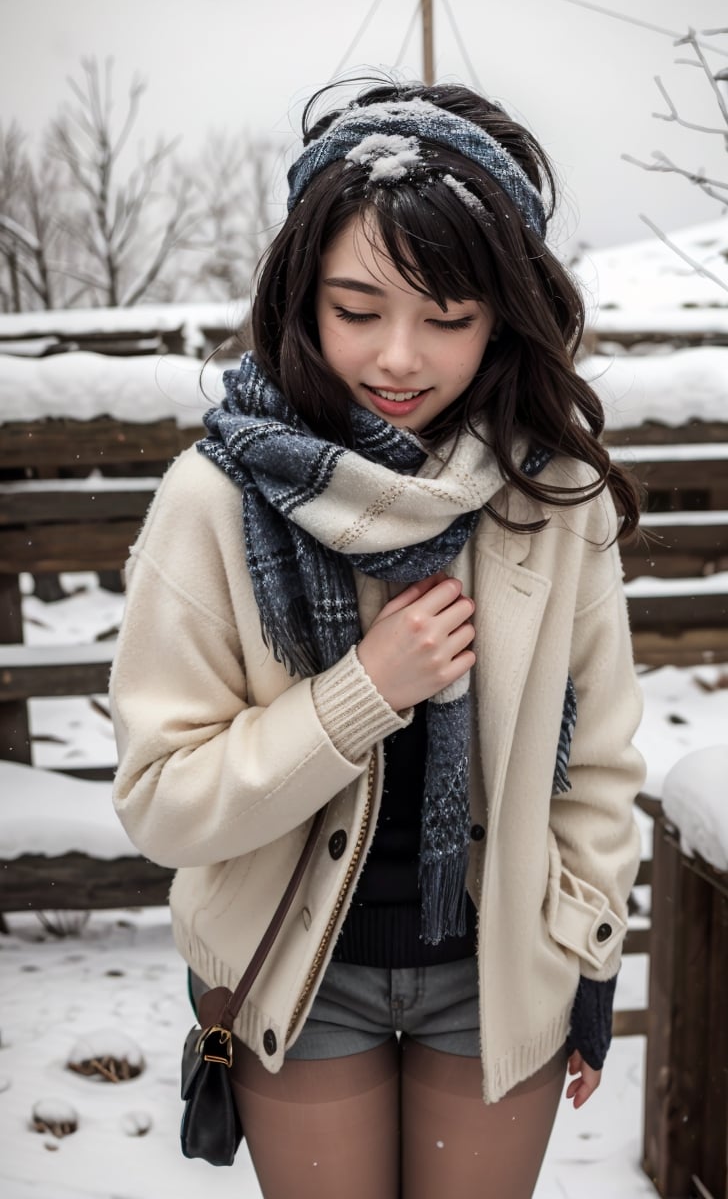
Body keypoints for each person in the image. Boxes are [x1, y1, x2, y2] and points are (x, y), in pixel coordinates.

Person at [110, 78, 645, 1199]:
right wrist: (360, 692)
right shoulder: (213, 500)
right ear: (300, 297)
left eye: (446, 318)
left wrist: (586, 955)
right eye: (358, 309)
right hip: (300, 975)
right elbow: (163, 797)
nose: (399, 356)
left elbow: (595, 761)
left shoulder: (548, 500)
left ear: (501, 316)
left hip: (498, 971)